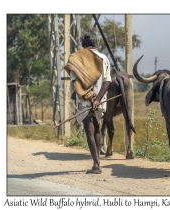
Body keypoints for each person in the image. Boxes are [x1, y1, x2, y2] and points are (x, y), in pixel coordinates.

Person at [64, 30, 111, 174]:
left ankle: (96, 165)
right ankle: (97, 162)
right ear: (95, 43)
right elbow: (107, 82)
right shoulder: (104, 58)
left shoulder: (76, 59)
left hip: (84, 102)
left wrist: (90, 99)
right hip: (100, 100)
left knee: (89, 130)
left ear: (83, 44)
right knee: (97, 128)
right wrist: (97, 100)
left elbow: (78, 83)